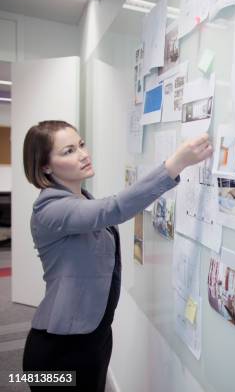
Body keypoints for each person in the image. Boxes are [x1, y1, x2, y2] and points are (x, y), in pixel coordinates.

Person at [21, 120, 213, 391]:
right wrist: (176, 164)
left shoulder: (83, 199)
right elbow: (112, 209)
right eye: (68, 151)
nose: (83, 154)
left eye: (81, 145)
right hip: (59, 349)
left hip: (94, 336)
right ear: (45, 167)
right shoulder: (49, 210)